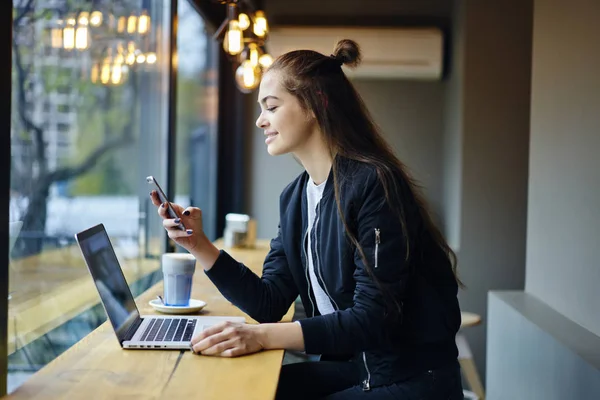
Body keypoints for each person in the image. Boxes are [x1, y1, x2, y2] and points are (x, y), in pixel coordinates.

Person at [150, 39, 464, 399]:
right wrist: (199, 245)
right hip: (361, 368)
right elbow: (269, 302)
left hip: (412, 379)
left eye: (271, 106)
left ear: (316, 104)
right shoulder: (297, 198)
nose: (259, 120)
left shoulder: (374, 184)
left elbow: (373, 319)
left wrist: (260, 336)